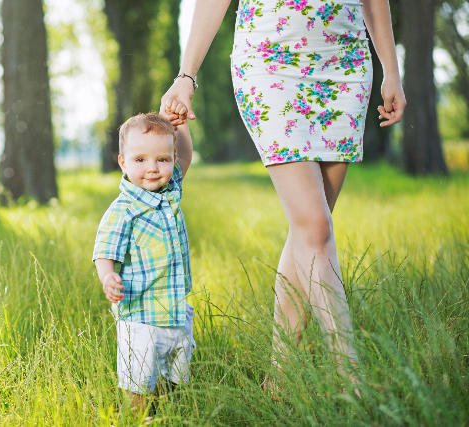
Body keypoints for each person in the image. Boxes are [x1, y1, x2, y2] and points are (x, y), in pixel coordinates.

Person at [161, 0, 406, 392]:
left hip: (345, 67)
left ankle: (278, 377)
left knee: (309, 234)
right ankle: (350, 376)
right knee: (315, 226)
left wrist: (392, 71)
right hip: (269, 63)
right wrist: (186, 76)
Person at [93, 112, 195, 416]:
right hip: (140, 315)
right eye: (140, 160)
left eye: (162, 160)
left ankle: (165, 412)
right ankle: (139, 417)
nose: (152, 168)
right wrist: (108, 276)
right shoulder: (123, 210)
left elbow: (186, 158)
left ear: (172, 159)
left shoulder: (171, 190)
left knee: (174, 375)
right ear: (123, 162)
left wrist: (183, 126)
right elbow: (104, 250)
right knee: (137, 378)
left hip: (176, 309)